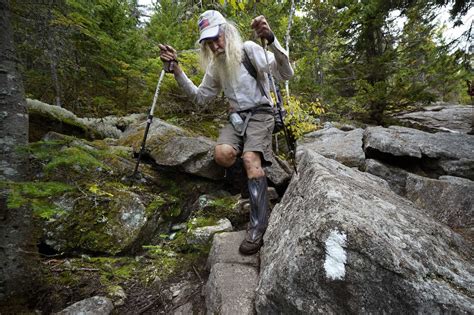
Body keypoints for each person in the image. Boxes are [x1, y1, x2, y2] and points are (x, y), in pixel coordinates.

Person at [159, 10, 294, 255]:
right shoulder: (216, 66)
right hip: (237, 118)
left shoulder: (250, 49)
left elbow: (285, 73)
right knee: (222, 154)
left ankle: (258, 224)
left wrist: (272, 40)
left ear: (227, 32)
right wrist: (177, 70)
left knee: (250, 158)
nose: (215, 45)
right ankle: (249, 191)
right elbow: (201, 98)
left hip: (262, 113)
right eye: (209, 42)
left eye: (217, 38)